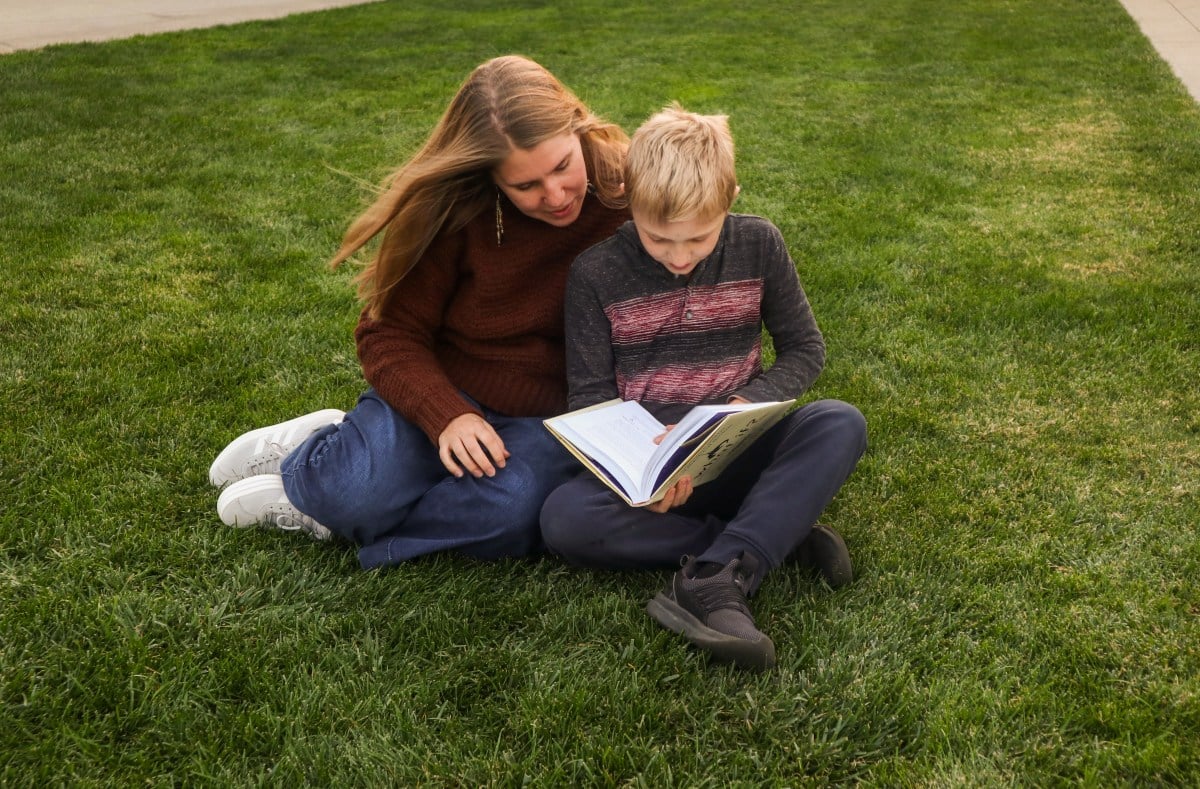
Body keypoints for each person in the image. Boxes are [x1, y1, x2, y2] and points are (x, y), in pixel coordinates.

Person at [209, 55, 630, 569]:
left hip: (552, 415)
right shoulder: (455, 209)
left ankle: (343, 516)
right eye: (525, 186)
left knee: (514, 510)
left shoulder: (628, 189)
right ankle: (322, 462)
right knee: (355, 490)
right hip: (447, 386)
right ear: (491, 177)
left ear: (577, 126)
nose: (556, 195)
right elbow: (389, 334)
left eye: (563, 166)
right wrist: (446, 415)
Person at [539, 105, 868, 670]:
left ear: (731, 197)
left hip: (739, 444)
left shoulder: (759, 243)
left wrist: (741, 405)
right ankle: (760, 545)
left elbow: (806, 349)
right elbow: (591, 398)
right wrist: (645, 455)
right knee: (564, 518)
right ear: (630, 200)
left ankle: (717, 574)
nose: (680, 257)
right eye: (659, 238)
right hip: (656, 469)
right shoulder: (593, 275)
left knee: (838, 421)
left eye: (698, 238)